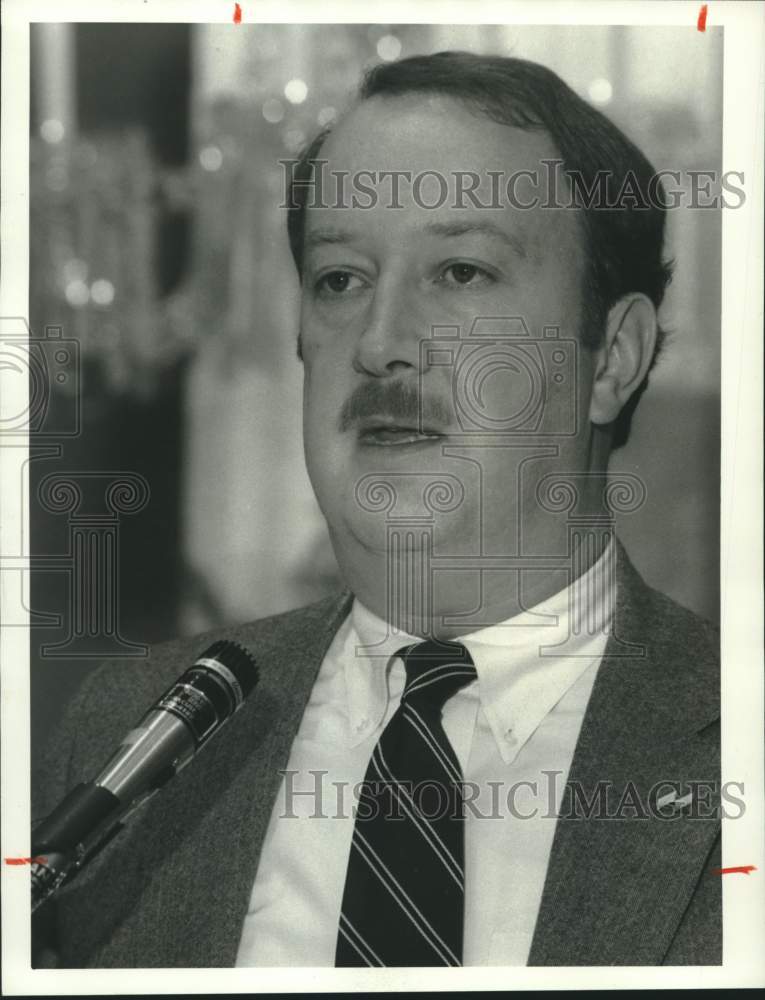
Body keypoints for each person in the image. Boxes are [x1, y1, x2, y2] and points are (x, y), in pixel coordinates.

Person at [33, 51, 720, 969]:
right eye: (341, 279)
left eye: (463, 272)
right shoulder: (130, 728)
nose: (382, 343)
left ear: (611, 358)